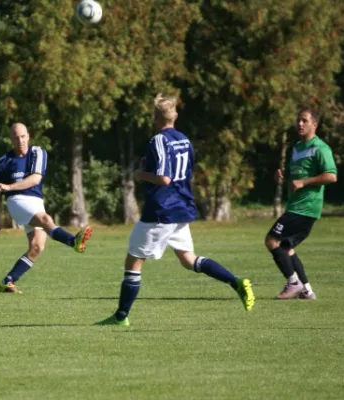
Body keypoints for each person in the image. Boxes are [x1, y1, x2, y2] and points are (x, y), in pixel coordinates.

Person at [96, 94, 255, 327]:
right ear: (175, 117)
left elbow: (165, 178)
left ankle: (121, 317)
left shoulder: (158, 141)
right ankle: (237, 281)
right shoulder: (184, 140)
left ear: (154, 117)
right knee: (188, 260)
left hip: (161, 210)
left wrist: (141, 175)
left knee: (134, 261)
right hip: (180, 207)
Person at [0, 122, 92, 294]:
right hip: (17, 202)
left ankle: (7, 281)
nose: (20, 140)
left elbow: (35, 179)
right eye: (16, 138)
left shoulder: (37, 152)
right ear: (11, 140)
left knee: (37, 247)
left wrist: (9, 186)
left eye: (23, 136)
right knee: (46, 220)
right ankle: (73, 241)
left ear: (28, 136)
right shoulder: (3, 162)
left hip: (36, 201)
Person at [265, 107, 337, 300]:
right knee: (287, 248)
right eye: (298, 120)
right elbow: (295, 174)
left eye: (305, 120)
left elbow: (331, 176)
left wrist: (304, 182)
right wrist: (284, 175)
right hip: (295, 205)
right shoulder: (297, 147)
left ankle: (293, 283)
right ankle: (307, 290)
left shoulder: (320, 148)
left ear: (315, 124)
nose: (300, 123)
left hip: (306, 206)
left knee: (272, 241)